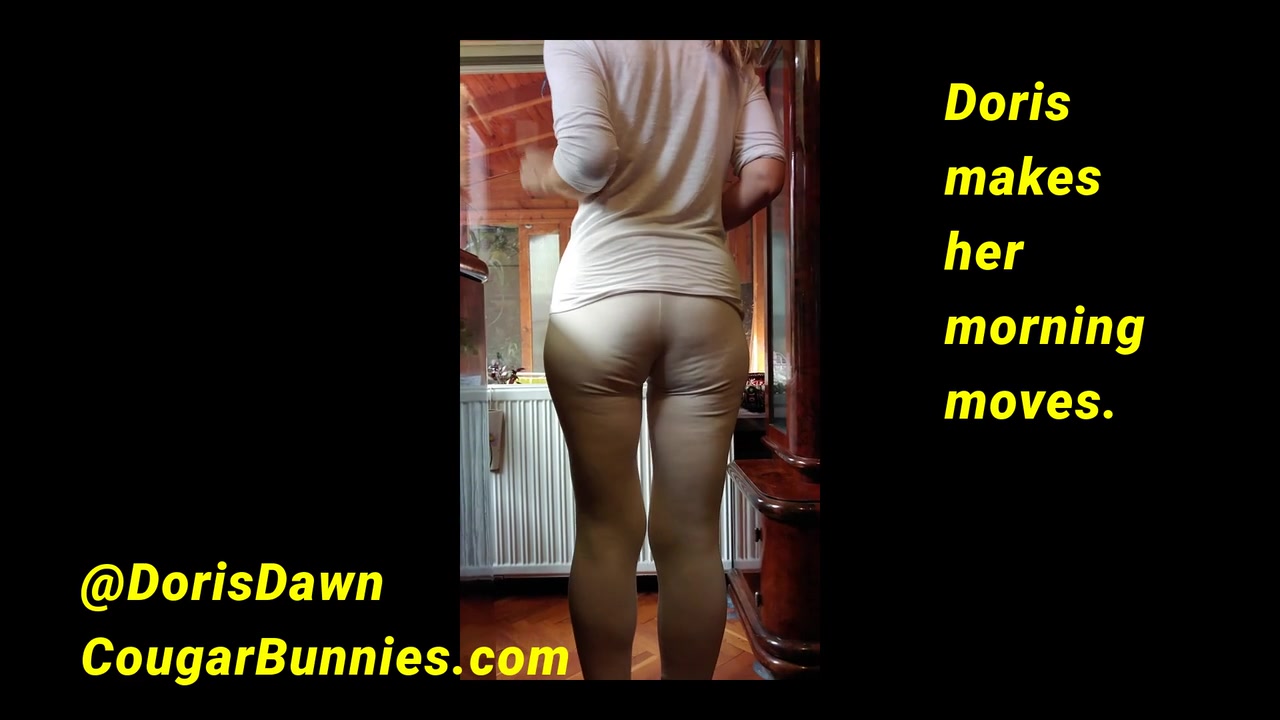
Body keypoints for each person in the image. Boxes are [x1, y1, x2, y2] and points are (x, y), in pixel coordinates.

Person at [519, 40, 786, 681]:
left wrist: (545, 174)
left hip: (600, 301)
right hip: (705, 304)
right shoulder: (728, 55)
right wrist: (696, 222)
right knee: (691, 532)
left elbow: (588, 158)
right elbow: (766, 174)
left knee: (605, 527)